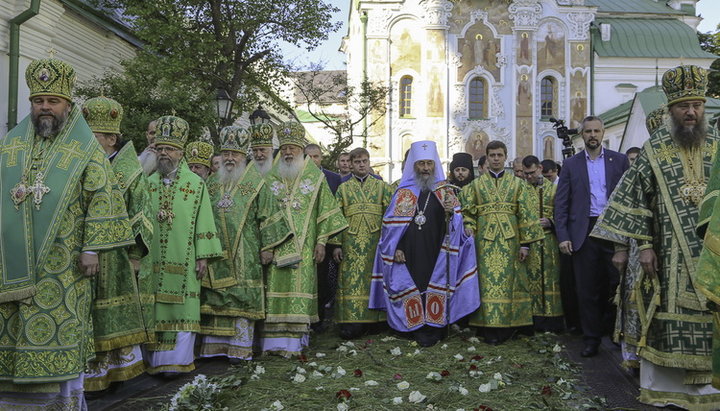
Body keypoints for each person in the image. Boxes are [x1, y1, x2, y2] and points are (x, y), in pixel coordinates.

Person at [0, 57, 134, 409]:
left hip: (64, 266)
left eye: (52, 101)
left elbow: (103, 198)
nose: (44, 108)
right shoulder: (12, 145)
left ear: (67, 105)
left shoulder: (85, 148)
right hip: (14, 264)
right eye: (38, 101)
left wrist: (93, 248)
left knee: (62, 330)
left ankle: (61, 404)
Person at [596, 65, 720, 408]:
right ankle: (667, 390)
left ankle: (711, 390)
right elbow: (635, 199)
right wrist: (645, 246)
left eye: (696, 105)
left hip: (712, 253)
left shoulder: (718, 147)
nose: (691, 112)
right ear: (671, 110)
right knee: (666, 311)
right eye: (684, 106)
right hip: (666, 253)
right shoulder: (655, 149)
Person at [370, 140, 479, 347]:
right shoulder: (403, 192)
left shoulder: (445, 190)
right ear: (414, 166)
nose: (426, 168)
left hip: (437, 250)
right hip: (410, 251)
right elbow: (391, 227)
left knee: (435, 283)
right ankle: (414, 326)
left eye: (429, 163)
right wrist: (398, 247)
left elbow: (456, 224)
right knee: (415, 283)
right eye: (422, 164)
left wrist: (452, 215)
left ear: (435, 165)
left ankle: (434, 326)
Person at [199, 126, 291, 363]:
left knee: (241, 297)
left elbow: (269, 215)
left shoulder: (257, 183)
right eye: (226, 153)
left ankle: (239, 349)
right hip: (214, 251)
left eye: (235, 154)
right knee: (215, 297)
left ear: (243, 156)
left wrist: (268, 247)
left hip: (246, 252)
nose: (230, 158)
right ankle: (214, 347)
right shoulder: (210, 184)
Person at [81, 96, 154, 393]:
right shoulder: (79, 164)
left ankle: (115, 375)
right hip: (83, 253)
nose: (86, 141)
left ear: (111, 138)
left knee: (110, 315)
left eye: (93, 136)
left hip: (116, 256)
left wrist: (136, 255)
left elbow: (142, 214)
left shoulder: (130, 171)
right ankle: (86, 375)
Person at [143, 115, 223, 375]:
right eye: (161, 149)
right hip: (152, 259)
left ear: (180, 153)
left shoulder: (195, 183)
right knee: (154, 307)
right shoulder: (147, 182)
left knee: (182, 307)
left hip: (185, 260)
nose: (164, 154)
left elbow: (204, 220)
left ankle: (177, 361)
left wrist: (203, 257)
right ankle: (155, 362)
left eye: (170, 149)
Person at [262, 121, 347, 355]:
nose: (289, 152)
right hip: (277, 248)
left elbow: (326, 212)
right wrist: (267, 245)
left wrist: (321, 242)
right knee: (275, 293)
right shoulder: (270, 178)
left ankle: (296, 342)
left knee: (300, 290)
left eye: (293, 148)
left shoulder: (315, 178)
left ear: (301, 150)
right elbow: (262, 214)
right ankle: (273, 345)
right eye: (285, 148)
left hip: (305, 248)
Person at [555, 115, 629, 357]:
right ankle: (591, 339)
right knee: (586, 288)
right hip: (583, 231)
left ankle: (617, 334)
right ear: (582, 135)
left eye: (597, 131)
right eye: (588, 132)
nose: (593, 135)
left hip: (612, 230)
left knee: (617, 285)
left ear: (603, 132)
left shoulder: (618, 161)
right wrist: (563, 235)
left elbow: (628, 199)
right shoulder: (571, 164)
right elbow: (562, 203)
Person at [461, 141, 544, 345]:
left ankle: (511, 326)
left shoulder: (518, 185)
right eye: (492, 155)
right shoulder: (475, 186)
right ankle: (485, 327)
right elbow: (467, 211)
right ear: (487, 158)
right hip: (484, 243)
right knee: (485, 283)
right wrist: (469, 226)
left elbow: (526, 214)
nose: (496, 158)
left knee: (511, 283)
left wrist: (525, 244)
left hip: (511, 243)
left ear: (505, 157)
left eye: (499, 155)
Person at [331, 148, 393, 339]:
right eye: (357, 162)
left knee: (375, 280)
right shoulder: (343, 189)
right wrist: (336, 245)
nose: (361, 165)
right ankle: (351, 321)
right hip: (350, 243)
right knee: (351, 282)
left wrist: (389, 243)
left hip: (376, 244)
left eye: (365, 161)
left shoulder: (382, 187)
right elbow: (336, 218)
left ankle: (377, 321)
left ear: (369, 162)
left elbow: (391, 217)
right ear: (350, 164)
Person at [522, 156, 563, 332]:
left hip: (550, 243)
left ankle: (553, 321)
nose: (529, 177)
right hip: (530, 243)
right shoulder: (522, 191)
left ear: (539, 168)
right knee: (531, 281)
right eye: (526, 174)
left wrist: (551, 222)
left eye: (531, 173)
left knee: (552, 279)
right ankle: (534, 321)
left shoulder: (554, 190)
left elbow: (563, 215)